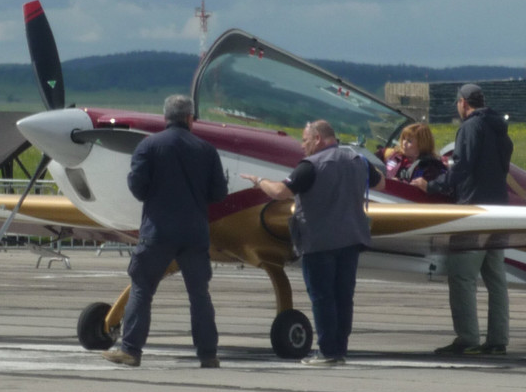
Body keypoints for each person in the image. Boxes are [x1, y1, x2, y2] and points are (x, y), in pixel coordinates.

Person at [242, 120, 385, 365]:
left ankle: (328, 351)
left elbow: (279, 192)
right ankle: (340, 349)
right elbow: (380, 182)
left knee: (322, 297)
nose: (302, 146)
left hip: (319, 242)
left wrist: (259, 180)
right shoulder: (357, 160)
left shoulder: (311, 166)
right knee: (343, 297)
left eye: (306, 140)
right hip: (351, 239)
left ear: (318, 139)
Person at [101, 94, 229, 368]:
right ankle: (208, 355)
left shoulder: (148, 146)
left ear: (165, 118)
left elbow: (137, 188)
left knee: (142, 288)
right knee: (199, 294)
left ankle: (131, 349)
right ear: (190, 118)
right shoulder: (206, 150)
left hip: (158, 230)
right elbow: (219, 193)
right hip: (195, 232)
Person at [427, 84, 514, 356]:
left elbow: (461, 167)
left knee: (462, 275)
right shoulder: (500, 128)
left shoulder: (469, 128)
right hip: (499, 211)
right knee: (495, 277)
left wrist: (431, 185)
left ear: (463, 103)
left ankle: (467, 338)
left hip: (474, 210)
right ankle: (498, 339)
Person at [389, 123, 446, 193]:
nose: (404, 143)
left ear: (421, 145)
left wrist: (399, 183)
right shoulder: (395, 156)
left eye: (409, 141)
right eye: (404, 138)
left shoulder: (430, 168)